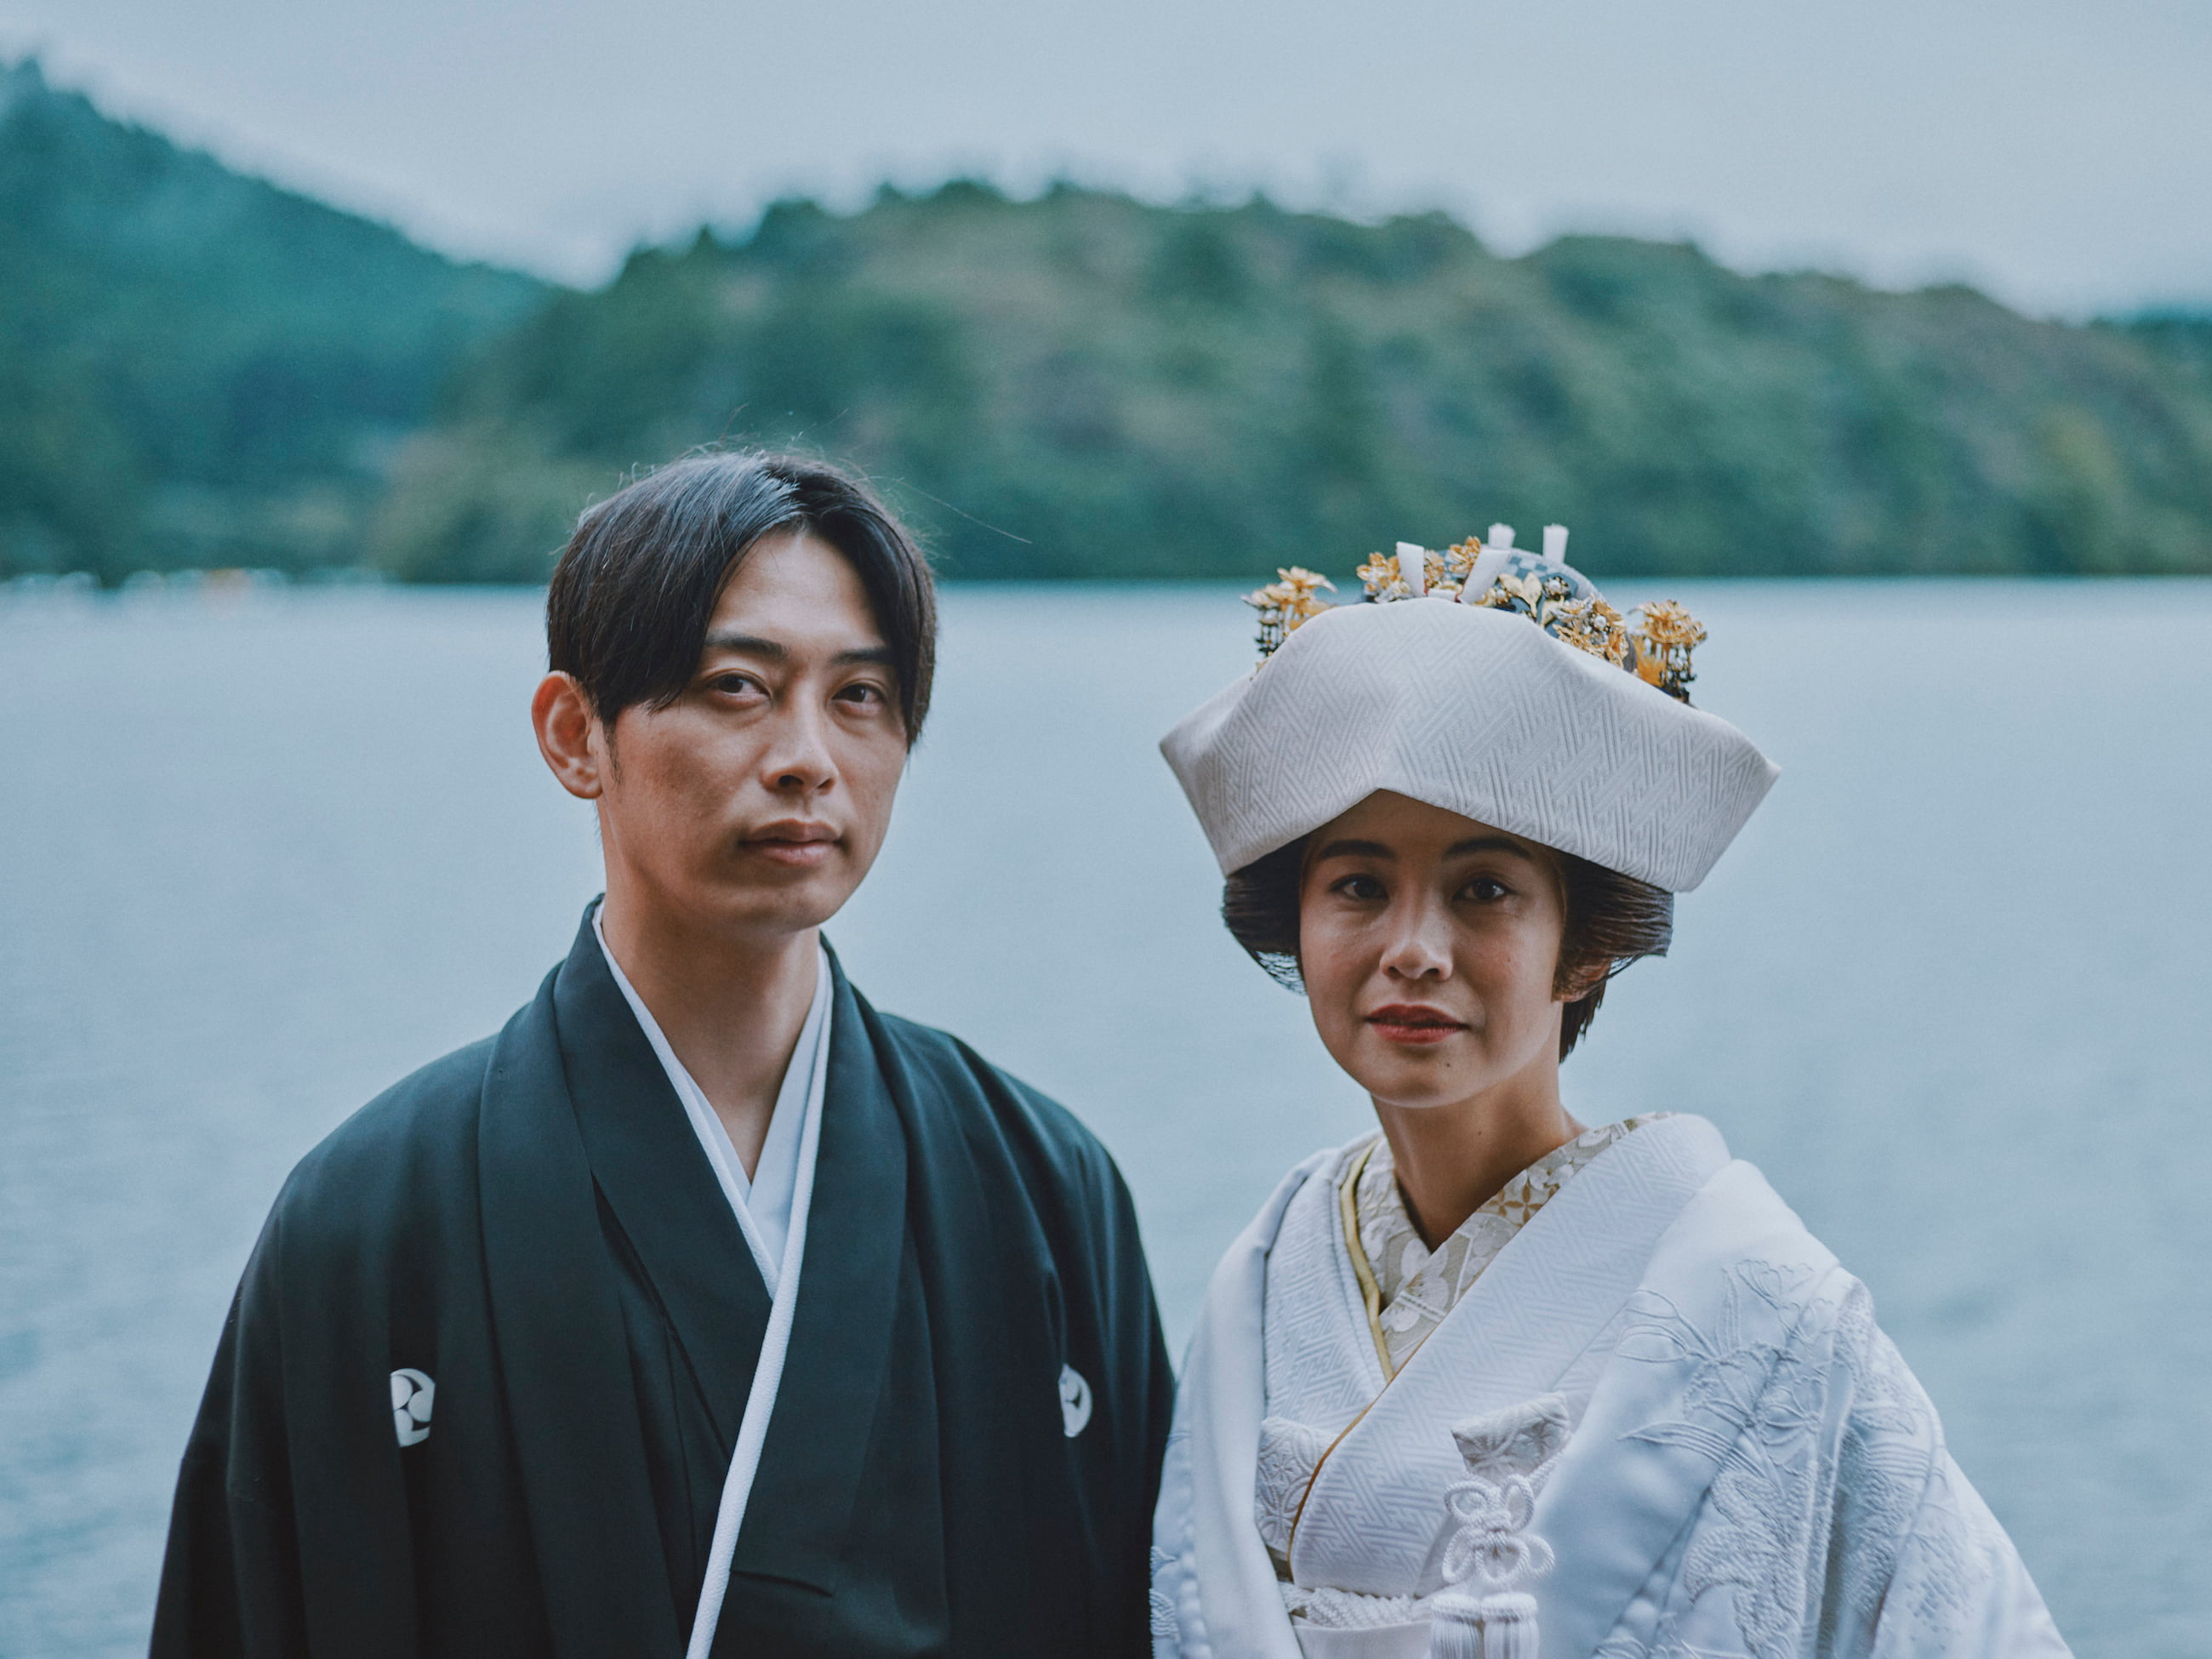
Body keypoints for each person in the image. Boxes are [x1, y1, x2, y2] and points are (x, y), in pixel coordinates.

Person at [153, 452, 1174, 1658]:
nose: (809, 756)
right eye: (739, 686)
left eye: (862, 697)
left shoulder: (1044, 1187)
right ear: (575, 733)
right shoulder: (372, 1219)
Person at [1146, 533, 2069, 1658]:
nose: (1414, 948)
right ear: (1296, 920)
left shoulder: (1756, 1299)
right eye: (1357, 885)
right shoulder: (1264, 1276)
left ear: (1583, 947)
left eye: (1484, 888)